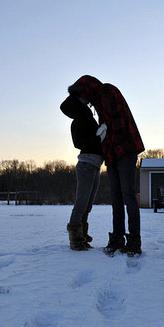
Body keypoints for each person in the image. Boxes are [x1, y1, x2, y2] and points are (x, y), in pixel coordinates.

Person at [68, 75, 145, 256]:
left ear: (86, 89)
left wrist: (110, 145)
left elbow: (119, 124)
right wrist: (107, 148)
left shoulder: (107, 91)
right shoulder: (96, 103)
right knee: (115, 197)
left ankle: (134, 240)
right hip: (111, 153)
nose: (84, 101)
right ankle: (117, 238)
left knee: (128, 194)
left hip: (124, 149)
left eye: (82, 95)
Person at [60, 93, 104, 251]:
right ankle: (75, 239)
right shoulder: (79, 120)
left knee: (87, 205)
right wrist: (98, 137)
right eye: (82, 98)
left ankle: (82, 236)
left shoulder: (88, 117)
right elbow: (79, 143)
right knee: (81, 204)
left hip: (95, 165)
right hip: (86, 165)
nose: (87, 100)